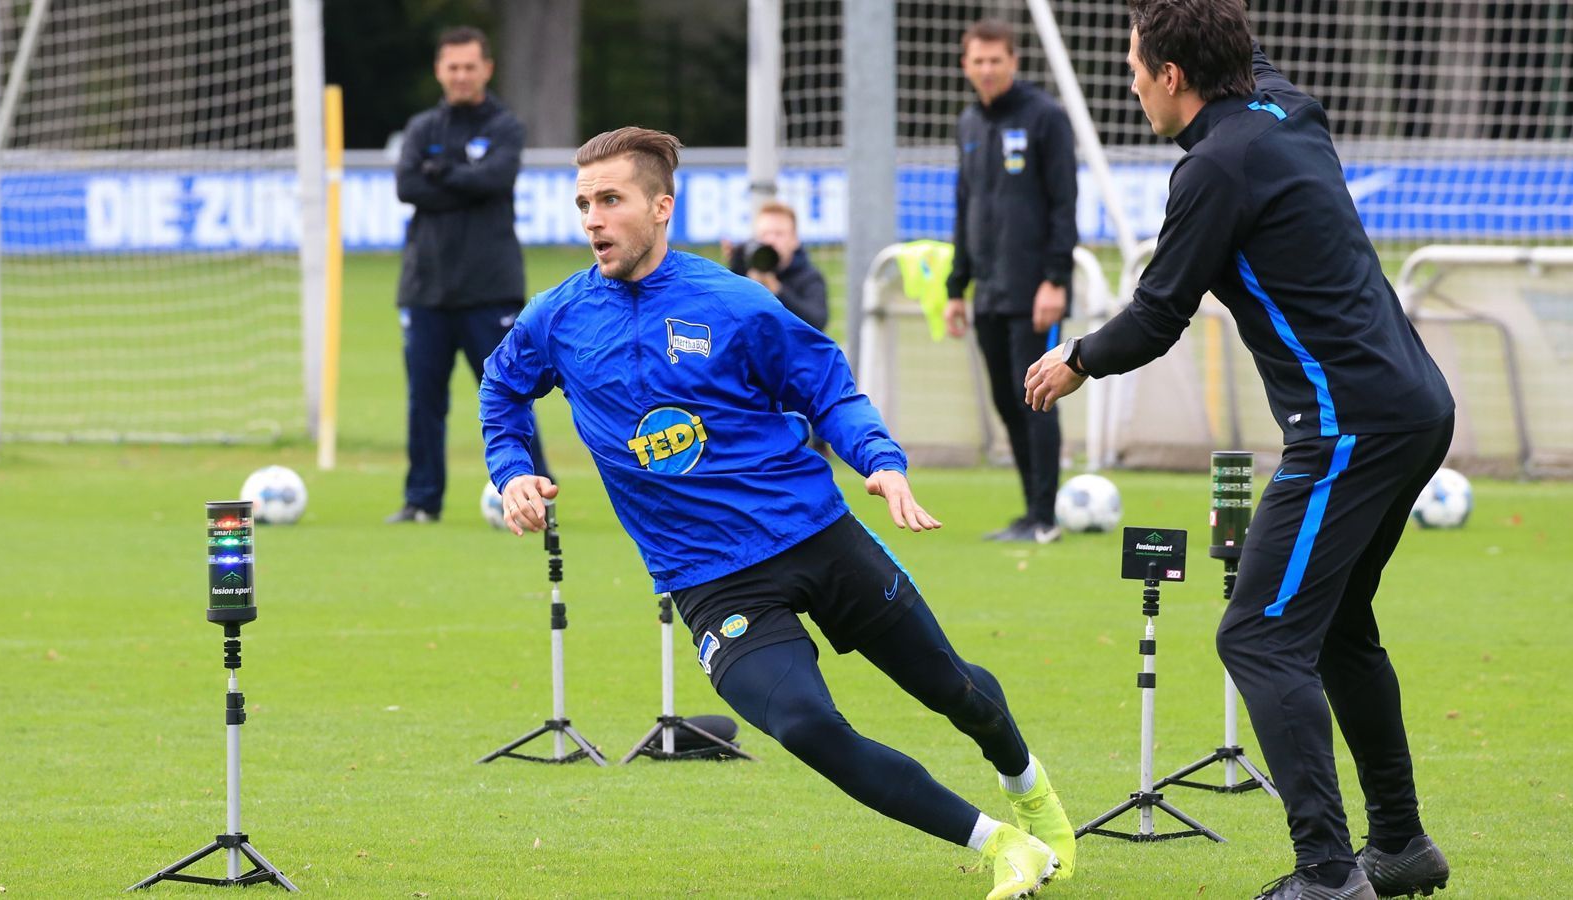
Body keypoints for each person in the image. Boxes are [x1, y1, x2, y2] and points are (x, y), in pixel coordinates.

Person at [481, 127, 1076, 900]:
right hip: (711, 582)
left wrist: (881, 462)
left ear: (662, 206)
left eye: (611, 200)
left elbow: (826, 384)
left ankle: (1030, 789)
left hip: (815, 536)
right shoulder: (558, 317)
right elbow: (501, 388)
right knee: (805, 725)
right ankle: (1003, 845)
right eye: (584, 203)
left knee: (950, 687)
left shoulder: (733, 304)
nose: (593, 219)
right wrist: (514, 469)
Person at [1025, 3, 1454, 898]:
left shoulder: (1212, 170)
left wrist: (1075, 359)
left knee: (1258, 637)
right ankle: (1403, 847)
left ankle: (1330, 874)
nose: (1130, 81)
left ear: (1173, 77)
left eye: (1137, 64)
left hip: (1350, 427)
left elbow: (1155, 316)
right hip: (1413, 409)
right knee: (1334, 627)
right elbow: (1240, 52)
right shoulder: (1284, 108)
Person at [388, 26, 549, 523]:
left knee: (509, 393)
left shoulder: (505, 126)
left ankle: (537, 494)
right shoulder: (421, 128)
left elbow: (495, 179)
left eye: (469, 66)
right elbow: (408, 187)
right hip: (426, 289)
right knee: (424, 402)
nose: (460, 75)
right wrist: (462, 181)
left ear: (487, 69)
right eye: (451, 66)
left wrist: (443, 174)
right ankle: (422, 502)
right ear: (440, 70)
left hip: (490, 289)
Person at [945, 18, 1078, 545]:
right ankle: (1030, 512)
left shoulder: (1046, 118)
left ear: (1013, 61)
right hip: (989, 292)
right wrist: (957, 288)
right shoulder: (969, 124)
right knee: (1006, 399)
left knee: (1036, 397)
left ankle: (1045, 518)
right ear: (965, 66)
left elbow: (1064, 204)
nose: (986, 69)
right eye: (977, 60)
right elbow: (963, 207)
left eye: (995, 59)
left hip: (1034, 292)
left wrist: (1055, 279)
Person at [722, 201, 830, 331]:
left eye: (779, 234)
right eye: (764, 234)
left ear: (794, 239)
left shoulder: (809, 277)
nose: (770, 241)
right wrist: (736, 272)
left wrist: (777, 290)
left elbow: (817, 323)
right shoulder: (745, 269)